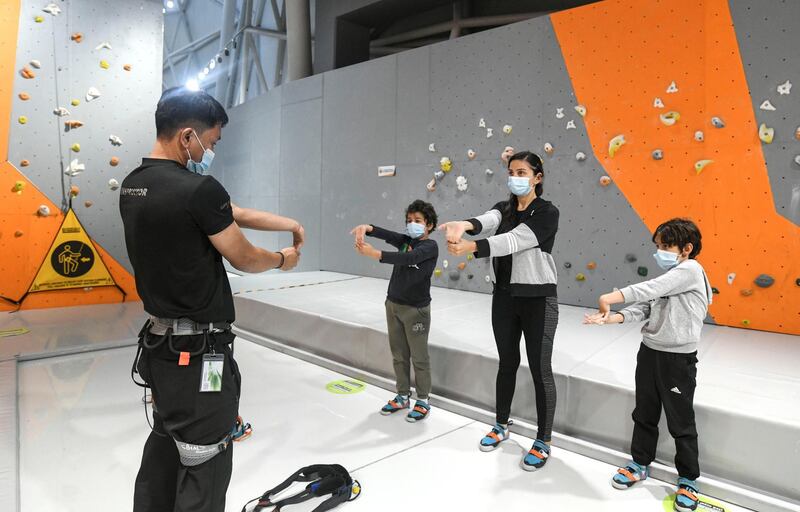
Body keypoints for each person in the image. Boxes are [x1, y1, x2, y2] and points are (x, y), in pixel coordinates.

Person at [120, 86, 303, 512]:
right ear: (188, 136)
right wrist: (281, 258)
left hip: (161, 348)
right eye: (212, 141)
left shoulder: (135, 186)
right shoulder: (197, 190)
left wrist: (290, 222)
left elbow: (228, 210)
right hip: (201, 355)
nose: (211, 150)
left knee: (166, 443)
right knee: (206, 457)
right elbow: (243, 256)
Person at [439, 151, 560, 471]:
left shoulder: (547, 212)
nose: (515, 177)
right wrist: (462, 225)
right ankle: (501, 424)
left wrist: (470, 247)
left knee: (540, 368)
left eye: (522, 172)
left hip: (538, 300)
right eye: (511, 171)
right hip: (504, 298)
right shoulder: (503, 208)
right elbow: (485, 221)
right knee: (507, 363)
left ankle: (543, 440)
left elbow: (515, 241)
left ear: (538, 177)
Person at [583, 218, 711, 512]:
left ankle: (689, 479)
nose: (660, 252)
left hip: (678, 360)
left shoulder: (690, 271)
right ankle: (640, 462)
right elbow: (645, 306)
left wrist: (609, 298)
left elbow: (649, 288)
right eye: (658, 246)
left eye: (666, 246)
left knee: (681, 421)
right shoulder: (672, 277)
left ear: (687, 248)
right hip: (649, 353)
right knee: (645, 411)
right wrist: (611, 318)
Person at [350, 200, 439, 422]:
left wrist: (376, 254)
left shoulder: (429, 247)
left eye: (418, 221)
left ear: (428, 224)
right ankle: (402, 396)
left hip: (416, 310)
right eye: (409, 221)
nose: (412, 224)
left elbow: (409, 258)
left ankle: (423, 400)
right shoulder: (405, 241)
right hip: (393, 305)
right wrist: (367, 228)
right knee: (399, 355)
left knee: (419, 357)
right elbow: (387, 234)